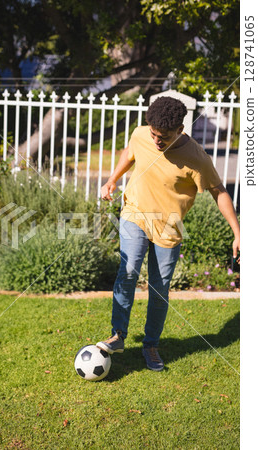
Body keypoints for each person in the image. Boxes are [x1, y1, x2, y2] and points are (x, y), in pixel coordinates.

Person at [96, 96, 240, 372]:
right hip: (135, 213)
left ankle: (150, 345)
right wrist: (112, 179)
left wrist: (237, 232)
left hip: (169, 227)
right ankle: (118, 336)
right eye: (153, 134)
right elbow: (129, 153)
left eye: (164, 137)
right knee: (128, 271)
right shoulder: (141, 134)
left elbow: (219, 191)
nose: (157, 141)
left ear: (180, 129)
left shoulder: (196, 157)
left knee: (159, 290)